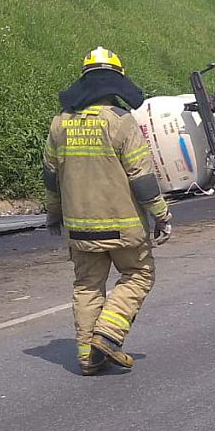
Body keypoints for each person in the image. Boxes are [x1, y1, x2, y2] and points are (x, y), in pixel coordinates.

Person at [44, 47, 173, 376]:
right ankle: (108, 334)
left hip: (79, 230)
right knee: (139, 275)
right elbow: (142, 179)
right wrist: (161, 215)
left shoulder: (60, 124)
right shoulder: (121, 122)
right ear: (117, 82)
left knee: (87, 286)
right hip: (122, 228)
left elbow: (51, 178)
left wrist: (53, 216)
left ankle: (88, 359)